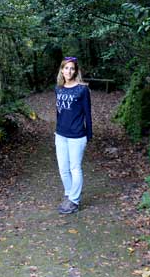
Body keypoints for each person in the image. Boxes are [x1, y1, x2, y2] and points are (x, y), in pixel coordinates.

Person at [54, 56, 92, 214]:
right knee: (63, 169)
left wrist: (89, 135)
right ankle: (69, 195)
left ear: (76, 71)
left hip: (77, 135)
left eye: (72, 68)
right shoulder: (58, 88)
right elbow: (59, 112)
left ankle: (74, 201)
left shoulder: (82, 90)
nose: (68, 71)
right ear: (62, 70)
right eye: (66, 68)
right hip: (61, 134)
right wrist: (57, 130)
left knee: (74, 167)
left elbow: (87, 113)